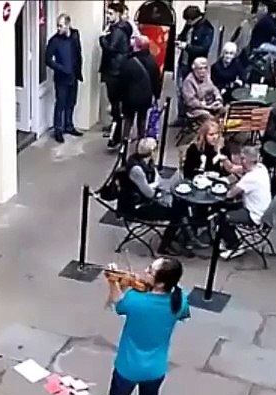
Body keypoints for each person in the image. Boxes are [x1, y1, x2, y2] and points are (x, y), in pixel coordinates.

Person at [105, 256, 190, 395]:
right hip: (155, 369)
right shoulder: (179, 300)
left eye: (150, 270)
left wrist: (112, 281)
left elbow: (118, 304)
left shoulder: (135, 299)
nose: (144, 271)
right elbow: (180, 313)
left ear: (160, 281)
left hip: (127, 366)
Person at [120, 137, 194, 257]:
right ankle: (165, 246)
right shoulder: (136, 169)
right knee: (176, 214)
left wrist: (158, 186)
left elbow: (158, 180)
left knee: (181, 204)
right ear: (152, 151)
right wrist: (157, 186)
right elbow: (149, 192)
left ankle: (187, 234)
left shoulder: (148, 162)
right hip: (137, 206)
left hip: (147, 199)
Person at [218, 145, 272, 260]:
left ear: (248, 160)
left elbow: (230, 194)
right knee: (226, 207)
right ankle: (226, 237)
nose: (240, 161)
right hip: (262, 209)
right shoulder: (260, 168)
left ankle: (235, 246)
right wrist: (224, 160)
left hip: (254, 215)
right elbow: (233, 169)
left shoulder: (251, 178)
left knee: (222, 217)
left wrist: (219, 188)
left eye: (242, 158)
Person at [112, 34, 162, 147]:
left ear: (137, 46)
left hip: (130, 97)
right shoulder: (152, 62)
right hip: (145, 97)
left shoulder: (129, 62)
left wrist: (118, 97)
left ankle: (124, 142)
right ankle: (141, 142)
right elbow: (156, 80)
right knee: (142, 119)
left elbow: (122, 81)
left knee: (128, 119)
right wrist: (156, 95)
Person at [99, 2, 134, 144]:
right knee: (117, 104)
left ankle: (116, 135)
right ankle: (117, 133)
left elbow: (110, 49)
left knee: (115, 104)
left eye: (110, 13)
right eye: (107, 13)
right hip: (118, 69)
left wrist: (102, 38)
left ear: (118, 14)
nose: (108, 16)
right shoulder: (121, 28)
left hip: (114, 71)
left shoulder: (118, 31)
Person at [45, 13, 84, 143]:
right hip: (61, 78)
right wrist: (61, 68)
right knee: (60, 104)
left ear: (68, 25)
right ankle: (58, 130)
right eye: (57, 25)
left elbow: (78, 53)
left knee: (71, 102)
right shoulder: (54, 40)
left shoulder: (75, 35)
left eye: (61, 26)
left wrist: (78, 70)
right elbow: (47, 59)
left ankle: (69, 126)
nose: (58, 28)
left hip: (74, 76)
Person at [174, 6, 215, 124]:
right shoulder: (189, 25)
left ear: (196, 18)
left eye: (189, 20)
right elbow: (183, 35)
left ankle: (192, 116)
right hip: (184, 62)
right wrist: (179, 40)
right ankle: (181, 116)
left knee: (193, 92)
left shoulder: (207, 29)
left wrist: (186, 46)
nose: (187, 23)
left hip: (195, 64)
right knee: (180, 90)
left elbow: (203, 48)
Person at [247, 0, 276, 66]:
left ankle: (271, 62)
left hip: (265, 40)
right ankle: (263, 61)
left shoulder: (271, 18)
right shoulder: (267, 21)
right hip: (259, 44)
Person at [181, 56, 222, 123]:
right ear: (194, 69)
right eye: (200, 68)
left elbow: (214, 88)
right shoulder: (189, 81)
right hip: (196, 109)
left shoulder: (206, 76)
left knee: (224, 111)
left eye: (205, 68)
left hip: (211, 104)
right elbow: (190, 101)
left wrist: (218, 99)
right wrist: (206, 106)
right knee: (210, 118)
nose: (203, 71)